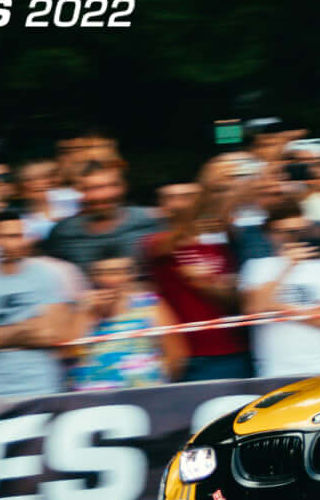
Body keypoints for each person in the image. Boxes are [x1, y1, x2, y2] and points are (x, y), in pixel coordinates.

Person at [144, 167, 251, 381]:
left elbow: (236, 298)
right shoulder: (158, 244)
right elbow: (173, 238)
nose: (178, 204)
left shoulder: (221, 241)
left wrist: (212, 286)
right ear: (161, 205)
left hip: (233, 350)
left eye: (186, 196)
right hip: (188, 357)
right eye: (170, 198)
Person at [0, 211, 79, 401]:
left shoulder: (44, 275)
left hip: (43, 386)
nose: (12, 244)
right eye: (5, 237)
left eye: (17, 236)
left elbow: (53, 333)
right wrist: (28, 327)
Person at [240, 212, 320, 378]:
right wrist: (287, 266)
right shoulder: (256, 267)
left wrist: (275, 306)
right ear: (270, 234)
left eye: (302, 230)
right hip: (274, 370)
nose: (294, 237)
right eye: (287, 232)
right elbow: (254, 308)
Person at [71, 254, 184, 388]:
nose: (110, 279)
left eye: (117, 272)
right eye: (102, 273)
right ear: (93, 277)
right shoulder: (84, 306)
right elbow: (70, 351)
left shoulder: (150, 304)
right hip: (92, 392)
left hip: (144, 391)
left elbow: (175, 353)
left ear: (131, 274)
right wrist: (86, 312)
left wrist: (156, 383)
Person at [41, 160, 164, 274]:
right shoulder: (64, 232)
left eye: (111, 186)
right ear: (78, 193)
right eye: (91, 188)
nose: (103, 195)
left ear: (123, 187)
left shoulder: (151, 220)